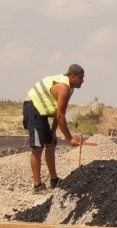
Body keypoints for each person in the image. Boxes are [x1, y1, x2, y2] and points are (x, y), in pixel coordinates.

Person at [23, 64, 85, 192]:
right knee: (37, 147)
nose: (82, 81)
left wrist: (53, 132)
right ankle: (37, 185)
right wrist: (70, 138)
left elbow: (58, 112)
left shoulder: (69, 88)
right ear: (72, 76)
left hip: (42, 112)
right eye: (80, 78)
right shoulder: (64, 88)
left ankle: (54, 180)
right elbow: (61, 116)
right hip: (33, 107)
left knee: (50, 143)